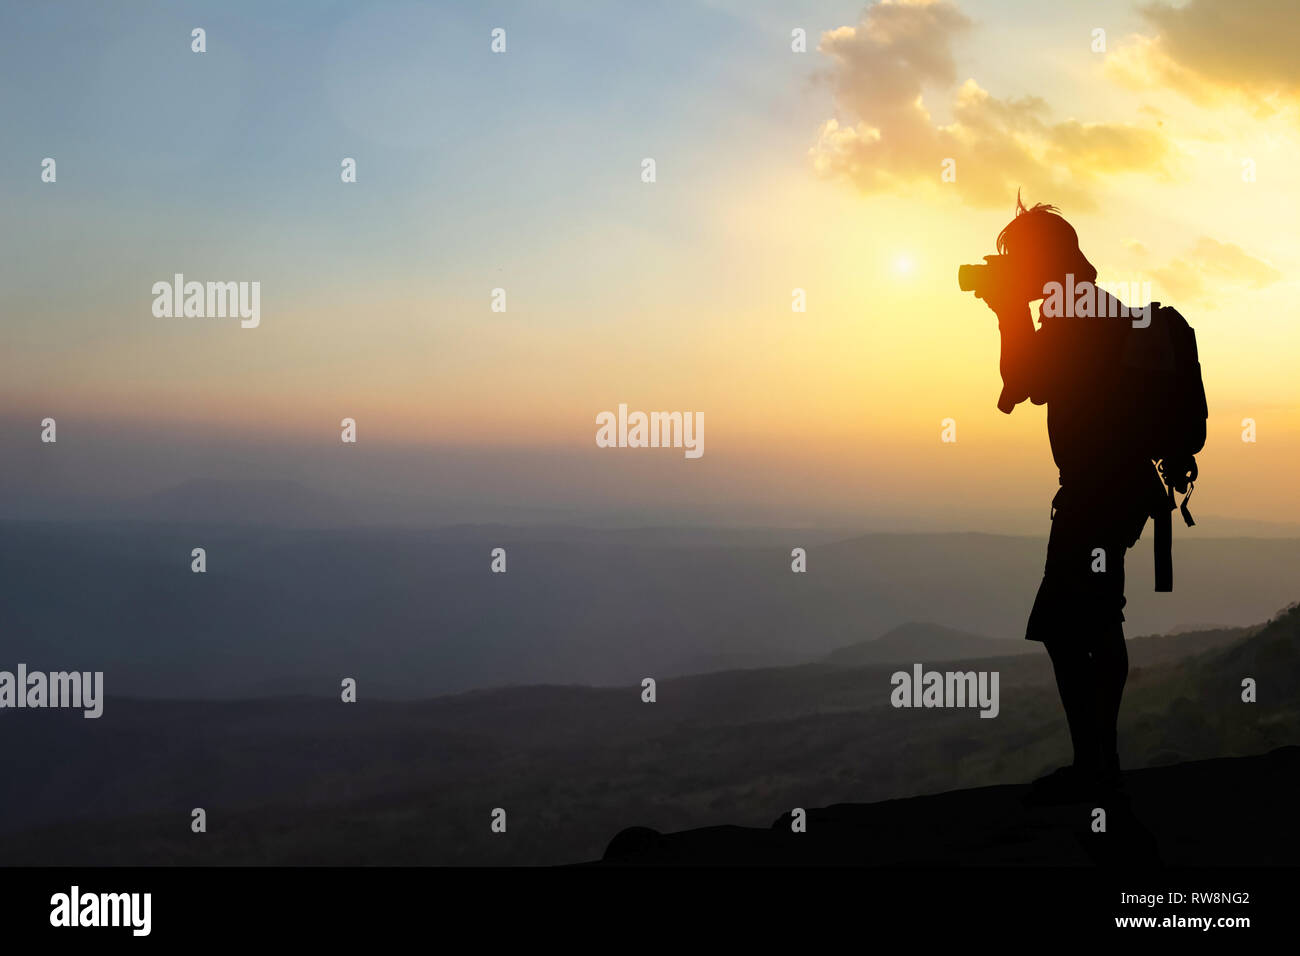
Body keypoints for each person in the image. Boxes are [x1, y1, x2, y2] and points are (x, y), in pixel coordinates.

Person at [974, 196, 1166, 803]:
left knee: (1072, 626)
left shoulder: (1076, 315)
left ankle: (1097, 767)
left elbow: (1021, 384)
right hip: (1115, 490)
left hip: (1098, 493)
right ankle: (1099, 763)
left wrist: (1007, 312)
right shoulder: (1090, 307)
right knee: (1091, 620)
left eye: (1016, 262)